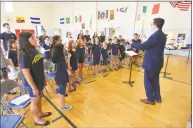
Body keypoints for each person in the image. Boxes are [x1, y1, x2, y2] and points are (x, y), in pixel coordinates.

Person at [131, 18, 166, 105]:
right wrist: (146, 38)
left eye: (151, 24)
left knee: (148, 81)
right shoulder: (162, 35)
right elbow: (153, 45)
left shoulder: (155, 36)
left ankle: (150, 99)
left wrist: (132, 43)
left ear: (155, 25)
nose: (151, 25)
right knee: (155, 80)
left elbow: (143, 47)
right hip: (158, 62)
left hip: (151, 63)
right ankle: (158, 98)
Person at [19, 32, 51, 126]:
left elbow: (41, 67)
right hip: (32, 83)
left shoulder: (35, 50)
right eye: (32, 37)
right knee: (34, 101)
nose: (35, 38)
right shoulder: (24, 54)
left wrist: (44, 78)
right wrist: (34, 87)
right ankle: (37, 119)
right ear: (26, 40)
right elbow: (26, 73)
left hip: (39, 80)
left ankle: (40, 113)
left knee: (39, 98)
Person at [50, 35, 72, 110]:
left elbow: (64, 64)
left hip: (59, 74)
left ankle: (63, 95)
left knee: (62, 87)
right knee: (62, 89)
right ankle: (63, 106)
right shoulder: (60, 60)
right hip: (60, 75)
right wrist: (68, 70)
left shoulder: (58, 58)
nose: (64, 50)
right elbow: (64, 66)